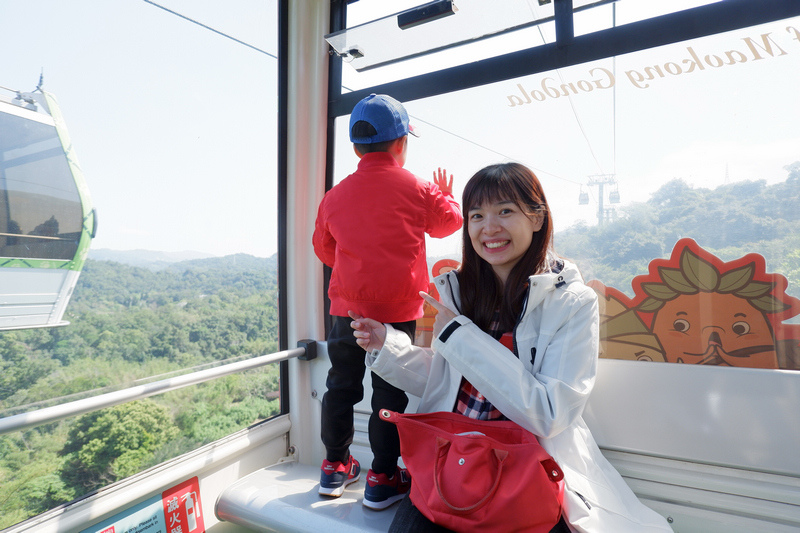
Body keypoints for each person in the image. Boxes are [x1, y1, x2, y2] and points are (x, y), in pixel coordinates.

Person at [350, 162, 673, 531]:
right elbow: (449, 381)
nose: (489, 227)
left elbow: (550, 413)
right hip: (450, 460)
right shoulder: (463, 295)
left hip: (524, 468)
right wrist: (386, 347)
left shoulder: (572, 303)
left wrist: (461, 337)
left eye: (505, 211)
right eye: (477, 215)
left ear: (537, 218)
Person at [312, 93, 463, 510]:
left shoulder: (335, 195)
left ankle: (334, 467)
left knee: (340, 387)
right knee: (388, 395)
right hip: (398, 311)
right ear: (401, 144)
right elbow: (448, 222)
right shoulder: (419, 187)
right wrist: (447, 196)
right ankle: (381, 476)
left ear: (356, 147)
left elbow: (324, 249)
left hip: (347, 310)